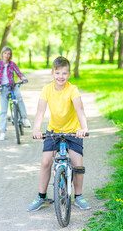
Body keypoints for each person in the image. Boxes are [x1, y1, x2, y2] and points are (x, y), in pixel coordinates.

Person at [27, 56, 91, 211]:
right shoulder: (47, 90)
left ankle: (79, 196)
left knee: (78, 165)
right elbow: (40, 111)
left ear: (68, 75)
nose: (60, 77)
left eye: (64, 73)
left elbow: (80, 110)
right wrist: (36, 129)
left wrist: (84, 128)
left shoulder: (72, 90)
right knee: (46, 162)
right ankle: (41, 196)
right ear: (52, 74)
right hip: (54, 132)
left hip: (73, 133)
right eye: (57, 73)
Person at [0, 46, 31, 141]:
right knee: (3, 111)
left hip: (12, 86)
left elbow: (19, 73)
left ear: (10, 55)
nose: (7, 55)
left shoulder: (12, 64)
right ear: (2, 54)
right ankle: (3, 132)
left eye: (9, 54)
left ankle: (25, 119)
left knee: (19, 98)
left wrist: (23, 79)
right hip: (3, 88)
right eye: (5, 53)